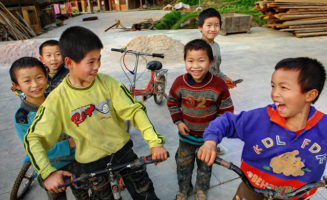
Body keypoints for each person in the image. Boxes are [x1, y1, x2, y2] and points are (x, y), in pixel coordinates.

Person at [24, 26, 168, 200]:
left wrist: (154, 142)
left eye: (99, 60)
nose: (97, 66)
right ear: (69, 63)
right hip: (90, 164)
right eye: (91, 62)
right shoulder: (57, 100)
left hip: (123, 152)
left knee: (146, 193)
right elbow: (34, 138)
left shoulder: (108, 83)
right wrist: (46, 173)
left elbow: (135, 111)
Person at [198, 57, 327, 200]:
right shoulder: (258, 119)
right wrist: (210, 141)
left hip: (297, 196)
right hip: (252, 190)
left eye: (283, 87)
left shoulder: (323, 127)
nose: (274, 94)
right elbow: (226, 122)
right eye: (273, 86)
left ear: (310, 95)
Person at [10, 57, 88, 199]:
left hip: (76, 158)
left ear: (46, 76)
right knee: (56, 195)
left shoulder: (60, 100)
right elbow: (34, 149)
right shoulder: (22, 117)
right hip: (49, 165)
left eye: (39, 77)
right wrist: (69, 143)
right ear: (16, 85)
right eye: (27, 81)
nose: (35, 85)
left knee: (84, 194)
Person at [167, 39, 234, 200]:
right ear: (185, 61)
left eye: (201, 60)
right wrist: (179, 122)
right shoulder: (179, 83)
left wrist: (214, 133)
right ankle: (184, 189)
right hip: (186, 136)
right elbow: (172, 102)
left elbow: (226, 111)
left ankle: (201, 189)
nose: (195, 66)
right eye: (190, 61)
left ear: (211, 62)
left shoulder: (218, 85)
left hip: (208, 140)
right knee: (183, 164)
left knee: (205, 166)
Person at [198, 8, 235, 88]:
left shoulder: (216, 46)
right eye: (209, 25)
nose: (213, 29)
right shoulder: (199, 49)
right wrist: (219, 84)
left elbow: (216, 70)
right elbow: (198, 76)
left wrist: (224, 78)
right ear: (200, 27)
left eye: (216, 25)